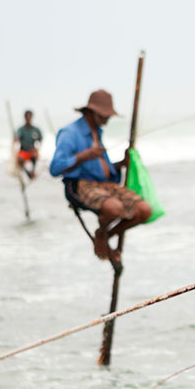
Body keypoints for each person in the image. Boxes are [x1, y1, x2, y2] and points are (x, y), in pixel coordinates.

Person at [50, 89, 152, 265]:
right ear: (91, 112)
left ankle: (103, 235)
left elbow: (101, 168)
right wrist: (84, 155)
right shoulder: (70, 132)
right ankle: (103, 233)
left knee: (145, 211)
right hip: (80, 185)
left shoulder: (97, 131)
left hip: (105, 184)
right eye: (104, 116)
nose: (107, 120)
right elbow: (55, 168)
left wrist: (120, 164)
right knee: (114, 208)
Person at [14, 109, 43, 179]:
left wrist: (36, 147)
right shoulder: (21, 129)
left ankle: (33, 171)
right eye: (27, 117)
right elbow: (16, 136)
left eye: (29, 117)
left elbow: (40, 138)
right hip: (23, 150)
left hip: (32, 150)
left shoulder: (36, 129)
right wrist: (16, 138)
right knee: (19, 159)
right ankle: (27, 172)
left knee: (34, 156)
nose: (28, 119)